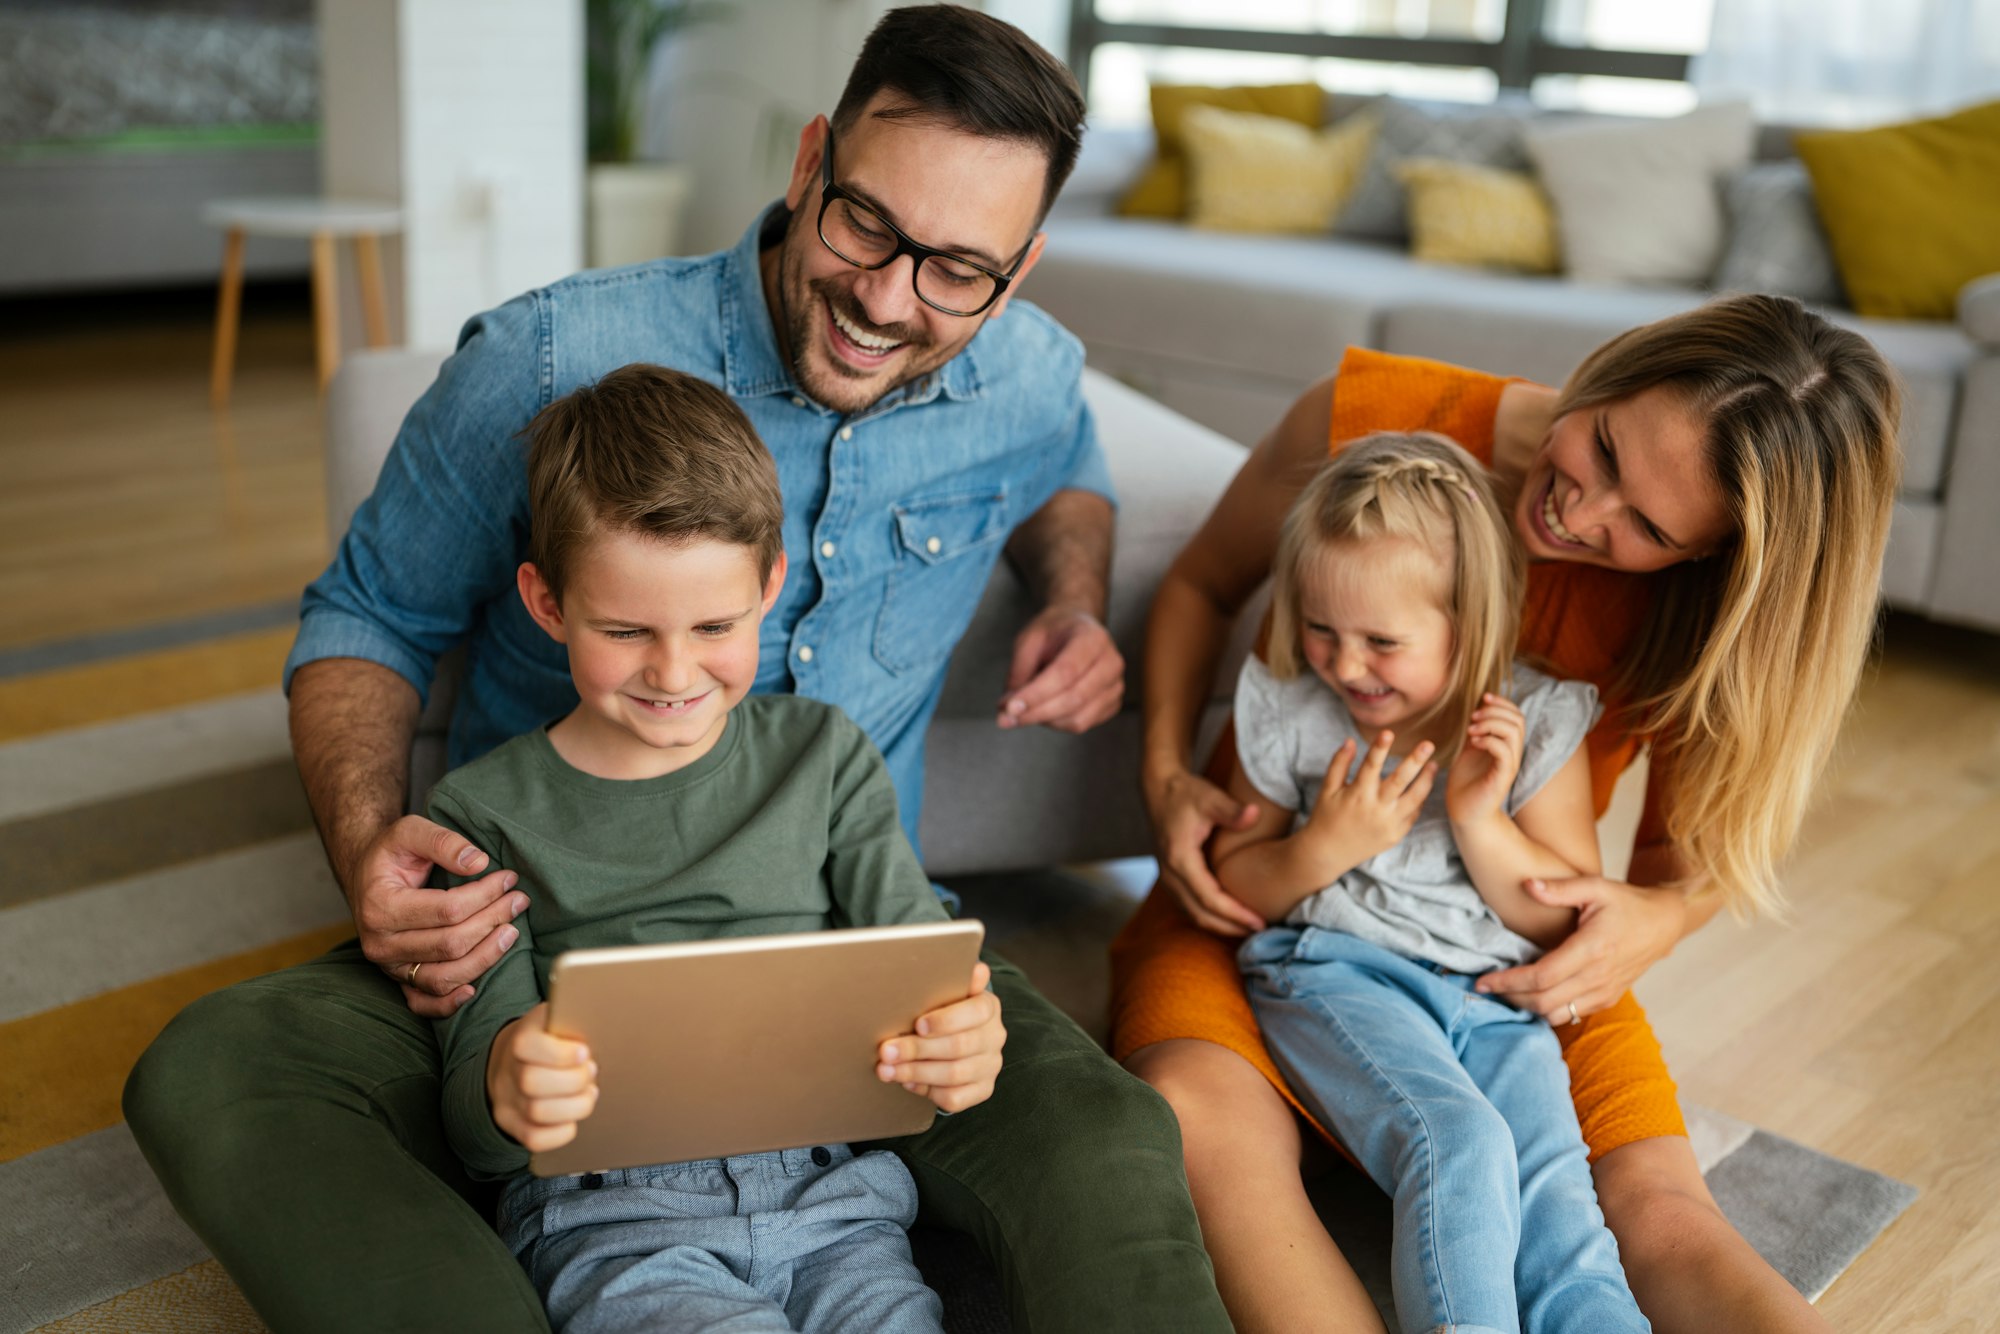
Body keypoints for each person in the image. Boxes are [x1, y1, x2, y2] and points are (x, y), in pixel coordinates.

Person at [122, 8, 1230, 1332]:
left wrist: (1072, 600)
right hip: (530, 944)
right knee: (215, 1073)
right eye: (865, 224)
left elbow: (1070, 472)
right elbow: (368, 613)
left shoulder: (1027, 369)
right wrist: (370, 849)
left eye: (959, 271)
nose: (888, 299)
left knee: (1110, 1134)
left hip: (857, 963)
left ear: (1021, 267)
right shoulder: (548, 363)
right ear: (810, 160)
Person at [1117, 296, 1899, 1334]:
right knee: (1205, 1127)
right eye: (1605, 447)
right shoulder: (1367, 423)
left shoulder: (1702, 615)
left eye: (1648, 528)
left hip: (1509, 942)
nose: (1580, 516)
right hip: (1259, 899)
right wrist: (1167, 772)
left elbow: (1683, 860)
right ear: (1615, 369)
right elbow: (1201, 585)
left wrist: (1655, 917)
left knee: (1653, 1212)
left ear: (1709, 556)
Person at [436, 363, 1001, 1334]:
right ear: (546, 603)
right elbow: (472, 1110)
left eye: (714, 624)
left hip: (838, 1193)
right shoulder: (482, 811)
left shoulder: (822, 756)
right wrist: (506, 1080)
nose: (673, 670)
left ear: (769, 586)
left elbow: (922, 968)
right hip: (609, 1208)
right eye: (624, 629)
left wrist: (963, 1038)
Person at [1220, 431, 1645, 1334]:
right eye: (1320, 629)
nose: (1344, 665)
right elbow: (1237, 883)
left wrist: (1482, 820)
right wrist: (1325, 846)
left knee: (1564, 1215)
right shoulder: (1296, 709)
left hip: (1497, 1001)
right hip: (1336, 968)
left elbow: (1563, 922)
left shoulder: (1529, 723)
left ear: (1471, 623)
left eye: (1382, 640)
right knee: (1457, 1141)